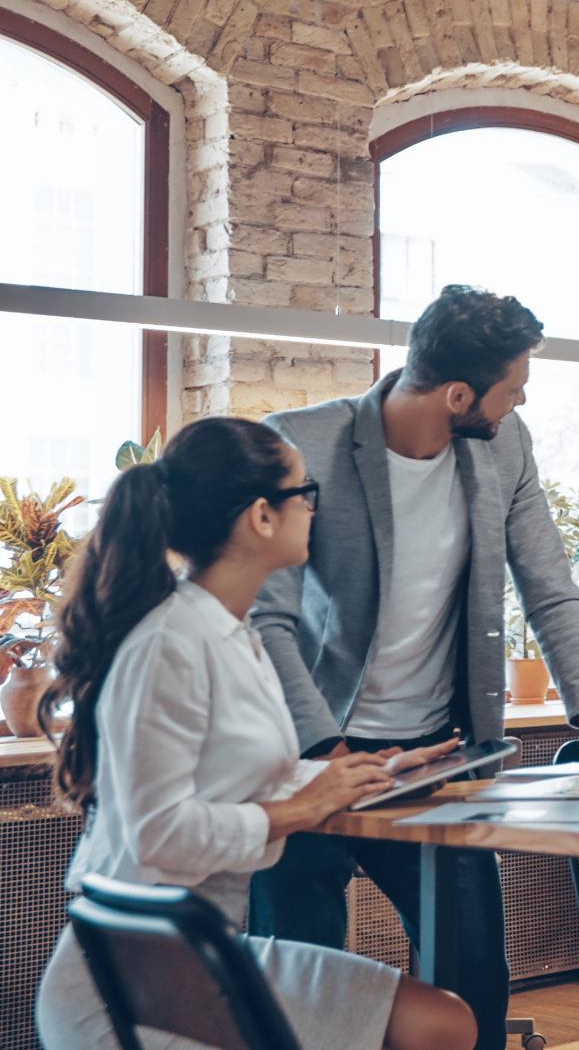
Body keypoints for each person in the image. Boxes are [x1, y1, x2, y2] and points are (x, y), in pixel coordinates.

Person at [247, 286, 579, 1050]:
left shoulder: (505, 445)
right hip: (307, 761)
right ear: (457, 394)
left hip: (432, 759)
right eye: (513, 384)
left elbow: (550, 587)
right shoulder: (300, 445)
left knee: (476, 977)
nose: (522, 397)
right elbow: (268, 620)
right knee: (303, 993)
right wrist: (328, 753)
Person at [34, 416, 475, 1050]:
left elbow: (234, 775)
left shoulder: (233, 631)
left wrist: (361, 774)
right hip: (130, 984)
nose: (314, 509)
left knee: (444, 1019)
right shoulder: (169, 642)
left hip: (197, 954)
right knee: (434, 1026)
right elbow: (158, 832)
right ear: (262, 517)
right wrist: (294, 809)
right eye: (305, 493)